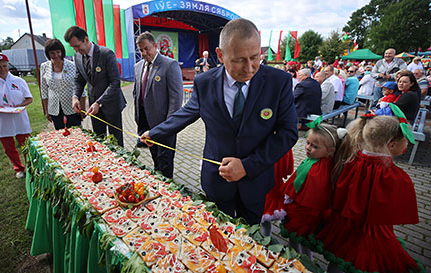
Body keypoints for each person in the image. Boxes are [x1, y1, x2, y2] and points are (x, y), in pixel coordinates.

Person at [141, 18, 298, 225]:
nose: (249, 68)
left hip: (256, 181)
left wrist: (247, 166)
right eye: (239, 60)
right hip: (217, 180)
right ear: (221, 55)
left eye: (255, 57)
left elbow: (288, 133)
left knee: (249, 239)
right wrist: (156, 133)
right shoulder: (204, 82)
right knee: (218, 233)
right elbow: (187, 113)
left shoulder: (279, 82)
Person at [317, 110, 420, 273]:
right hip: (371, 229)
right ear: (391, 144)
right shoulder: (390, 174)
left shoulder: (353, 158)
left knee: (341, 256)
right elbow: (393, 207)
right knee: (362, 260)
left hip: (345, 222)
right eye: (405, 141)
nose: (407, 145)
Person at [281, 121, 343, 259]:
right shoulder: (317, 162)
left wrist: (291, 197)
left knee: (300, 239)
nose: (308, 148)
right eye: (307, 143)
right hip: (303, 211)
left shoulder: (319, 169)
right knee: (300, 240)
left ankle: (301, 261)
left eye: (315, 146)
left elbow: (310, 193)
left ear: (330, 151)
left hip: (306, 213)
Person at [64, 26, 126, 146]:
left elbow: (115, 83)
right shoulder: (77, 57)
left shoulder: (106, 54)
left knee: (116, 142)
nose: (76, 50)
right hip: (94, 107)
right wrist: (75, 97)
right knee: (99, 140)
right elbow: (79, 79)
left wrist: (99, 102)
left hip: (111, 105)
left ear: (86, 39)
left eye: (77, 46)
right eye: (73, 47)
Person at [133, 32, 183, 178]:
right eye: (141, 50)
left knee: (165, 161)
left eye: (147, 48)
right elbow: (136, 93)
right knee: (155, 157)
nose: (144, 53)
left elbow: (176, 99)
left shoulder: (169, 65)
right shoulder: (138, 67)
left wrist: (169, 126)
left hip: (164, 124)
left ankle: (168, 191)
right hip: (145, 123)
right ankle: (158, 183)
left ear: (156, 46)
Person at [0, 53, 32, 178]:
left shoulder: (18, 81)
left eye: (4, 66)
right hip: (1, 118)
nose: (2, 69)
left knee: (26, 144)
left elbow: (29, 98)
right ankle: (18, 168)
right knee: (8, 147)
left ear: (8, 65)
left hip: (19, 117)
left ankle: (30, 166)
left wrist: (19, 106)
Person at [40, 39, 84, 130]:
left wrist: (82, 108)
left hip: (72, 105)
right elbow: (44, 90)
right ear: (48, 54)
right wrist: (46, 110)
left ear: (62, 52)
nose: (56, 55)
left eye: (58, 52)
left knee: (76, 133)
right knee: (59, 135)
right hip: (54, 107)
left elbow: (81, 88)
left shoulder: (72, 65)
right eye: (52, 53)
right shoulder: (44, 67)